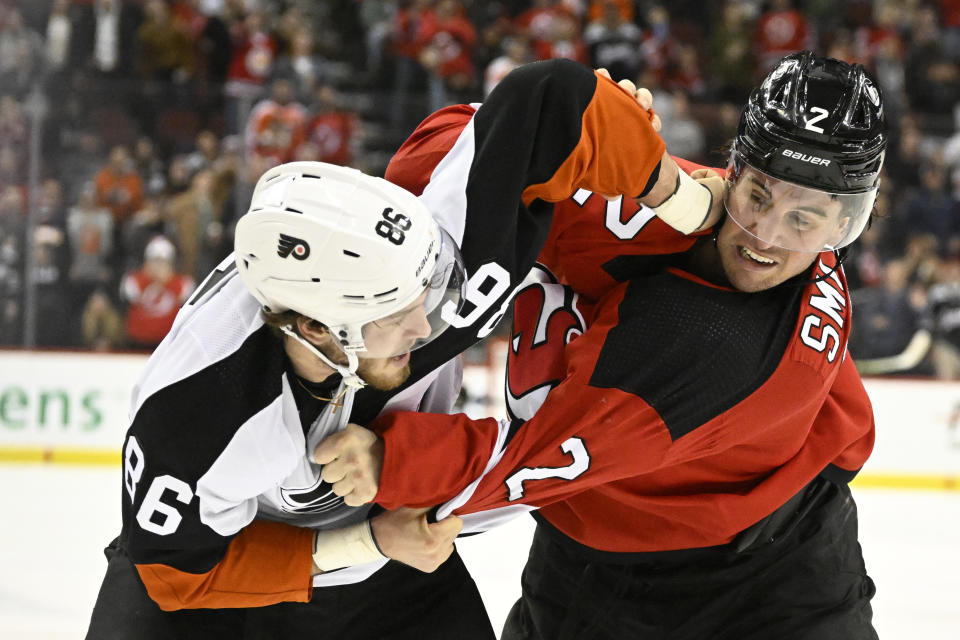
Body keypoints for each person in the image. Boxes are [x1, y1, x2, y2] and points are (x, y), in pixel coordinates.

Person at [85, 58, 723, 639]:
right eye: (397, 318)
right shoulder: (198, 412)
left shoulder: (435, 263)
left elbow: (553, 100)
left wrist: (691, 204)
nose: (430, 329)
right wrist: (367, 540)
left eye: (427, 293)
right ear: (316, 331)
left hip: (386, 582)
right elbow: (179, 576)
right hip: (223, 580)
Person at [320, 52, 885, 639]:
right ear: (733, 173)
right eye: (760, 196)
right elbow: (430, 163)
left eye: (805, 220)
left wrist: (398, 461)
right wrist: (583, 121)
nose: (764, 238)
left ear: (844, 227)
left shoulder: (747, 350)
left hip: (771, 586)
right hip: (589, 566)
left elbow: (552, 454)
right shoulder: (650, 198)